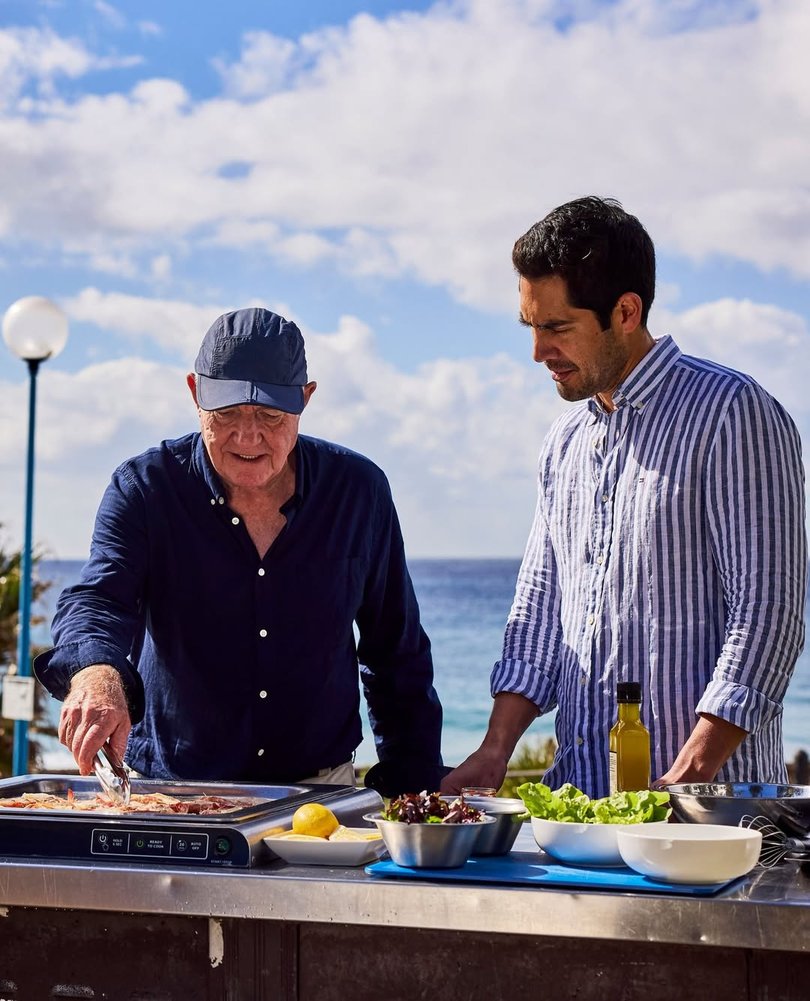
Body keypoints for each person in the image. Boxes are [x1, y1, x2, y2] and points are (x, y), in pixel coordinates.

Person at [442, 196, 807, 798]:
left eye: (556, 328)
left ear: (627, 311)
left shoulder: (734, 413)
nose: (538, 352)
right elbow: (539, 611)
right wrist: (494, 750)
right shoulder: (564, 443)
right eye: (531, 328)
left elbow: (769, 613)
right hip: (579, 807)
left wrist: (689, 776)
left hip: (707, 823)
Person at [35, 307, 444, 796]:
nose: (248, 437)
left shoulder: (359, 490)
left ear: (305, 399)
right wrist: (97, 674)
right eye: (226, 414)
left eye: (270, 416)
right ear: (194, 393)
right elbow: (98, 600)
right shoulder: (143, 488)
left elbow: (395, 651)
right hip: (171, 792)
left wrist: (413, 788)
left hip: (321, 797)